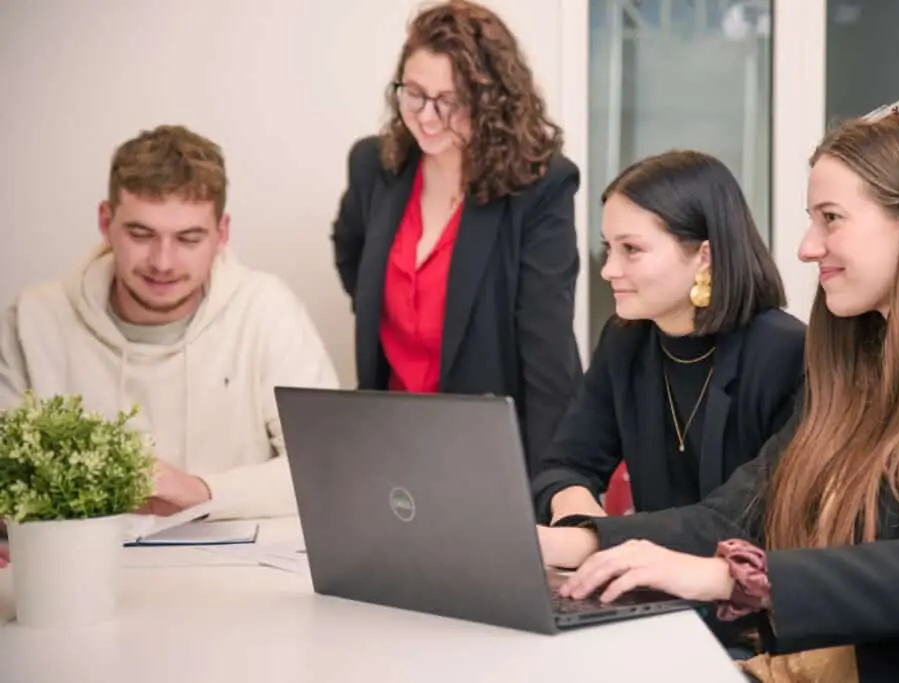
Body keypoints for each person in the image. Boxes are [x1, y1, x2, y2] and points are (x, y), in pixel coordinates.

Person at [537, 102, 899, 683]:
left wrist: (727, 578)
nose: (806, 246)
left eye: (831, 218)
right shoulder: (857, 356)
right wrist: (577, 542)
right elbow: (742, 511)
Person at [0, 125, 339, 521]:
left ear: (222, 233)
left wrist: (203, 492)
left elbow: (332, 470)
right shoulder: (34, 319)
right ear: (105, 220)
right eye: (141, 234)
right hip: (81, 573)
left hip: (239, 578)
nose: (163, 262)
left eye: (189, 239)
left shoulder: (267, 311)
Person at [331, 0, 582, 477]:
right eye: (415, 94)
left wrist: (551, 487)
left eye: (451, 101)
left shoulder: (541, 186)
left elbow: (546, 350)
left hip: (497, 447)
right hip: (394, 438)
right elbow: (350, 253)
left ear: (492, 102)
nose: (428, 116)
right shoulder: (374, 166)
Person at [531, 150, 804, 526]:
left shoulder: (785, 352)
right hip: (649, 575)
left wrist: (600, 540)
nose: (609, 269)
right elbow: (564, 466)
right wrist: (575, 511)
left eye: (632, 250)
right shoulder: (625, 341)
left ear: (704, 255)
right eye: (608, 248)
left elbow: (744, 516)